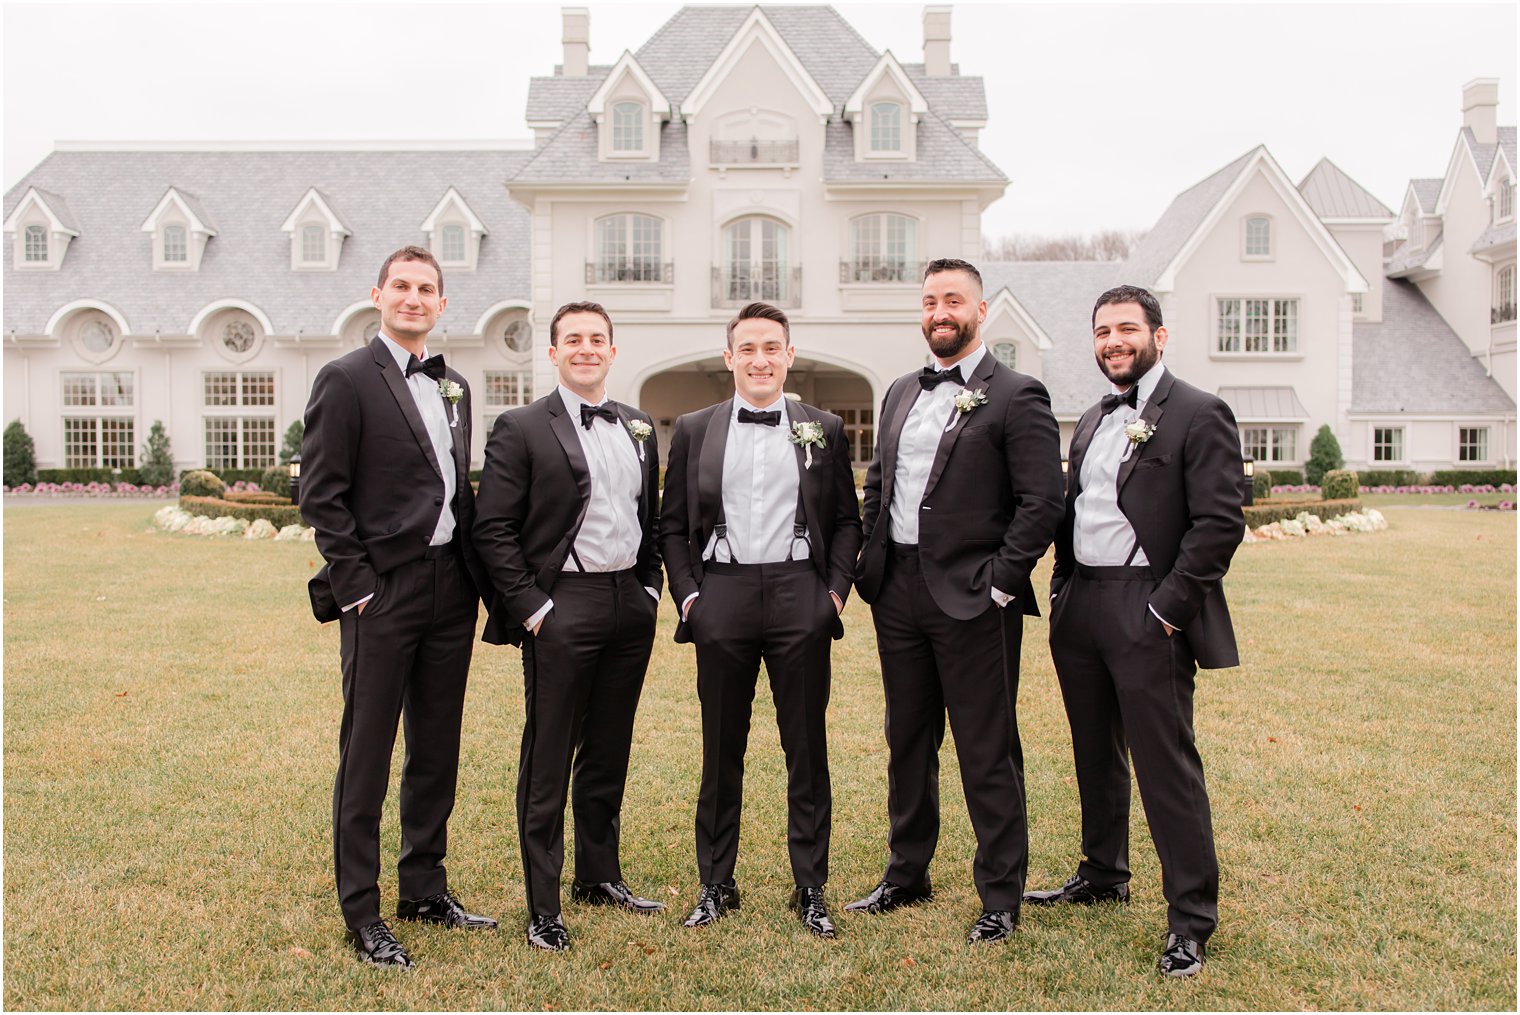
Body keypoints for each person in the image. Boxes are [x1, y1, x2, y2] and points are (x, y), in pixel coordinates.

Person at [1023, 284, 1243, 979]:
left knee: (1165, 763)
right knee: (1095, 751)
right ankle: (1103, 872)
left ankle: (1191, 919)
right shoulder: (1088, 419)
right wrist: (1061, 590)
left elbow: (1219, 522)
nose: (1113, 342)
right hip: (1081, 605)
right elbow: (1078, 509)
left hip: (1148, 607)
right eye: (1102, 332)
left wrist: (1167, 608)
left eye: (1126, 329)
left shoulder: (1200, 413)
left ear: (1159, 334)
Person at [847, 257, 1064, 944]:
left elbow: (1042, 501)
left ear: (981, 311)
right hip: (898, 591)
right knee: (906, 737)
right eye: (931, 300)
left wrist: (1001, 580)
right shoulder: (899, 391)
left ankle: (1000, 894)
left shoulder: (1017, 395)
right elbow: (879, 483)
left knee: (986, 746)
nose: (941, 311)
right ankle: (907, 872)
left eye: (954, 300)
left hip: (976, 596)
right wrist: (869, 560)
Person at [300, 245, 497, 968]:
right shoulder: (347, 379)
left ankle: (424, 887)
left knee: (436, 744)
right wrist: (356, 587)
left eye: (428, 289)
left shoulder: (456, 388)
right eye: (403, 287)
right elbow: (320, 493)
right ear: (378, 294)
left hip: (452, 587)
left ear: (443, 305)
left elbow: (457, 490)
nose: (415, 298)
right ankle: (363, 909)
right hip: (382, 590)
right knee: (368, 750)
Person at [658, 302, 862, 938]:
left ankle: (810, 888)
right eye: (747, 348)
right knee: (722, 748)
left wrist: (831, 595)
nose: (760, 359)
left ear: (789, 354)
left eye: (771, 347)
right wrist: (691, 597)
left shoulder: (823, 426)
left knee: (807, 746)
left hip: (800, 590)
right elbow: (671, 524)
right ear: (729, 358)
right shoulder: (694, 428)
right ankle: (717, 883)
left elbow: (849, 521)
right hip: (723, 592)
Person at [474, 301, 664, 953]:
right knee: (549, 753)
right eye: (573, 339)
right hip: (562, 605)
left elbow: (652, 517)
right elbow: (491, 527)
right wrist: (533, 607)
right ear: (553, 352)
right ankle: (544, 904)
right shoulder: (521, 426)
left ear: (613, 350)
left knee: (609, 748)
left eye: (598, 338)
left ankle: (599, 876)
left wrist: (648, 588)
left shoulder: (639, 426)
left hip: (627, 605)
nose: (587, 347)